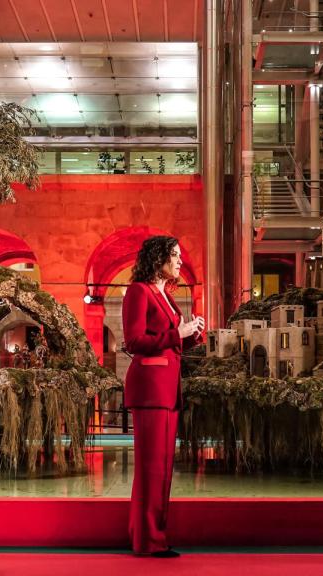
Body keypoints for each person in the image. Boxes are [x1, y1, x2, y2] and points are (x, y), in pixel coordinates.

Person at [122, 235, 204, 558]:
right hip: (150, 389)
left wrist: (191, 335)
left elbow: (171, 342)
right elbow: (134, 340)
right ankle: (148, 541)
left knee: (162, 469)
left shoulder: (166, 296)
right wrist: (177, 333)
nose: (180, 261)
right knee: (151, 469)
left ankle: (149, 534)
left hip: (168, 390)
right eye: (175, 255)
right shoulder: (138, 292)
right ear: (158, 259)